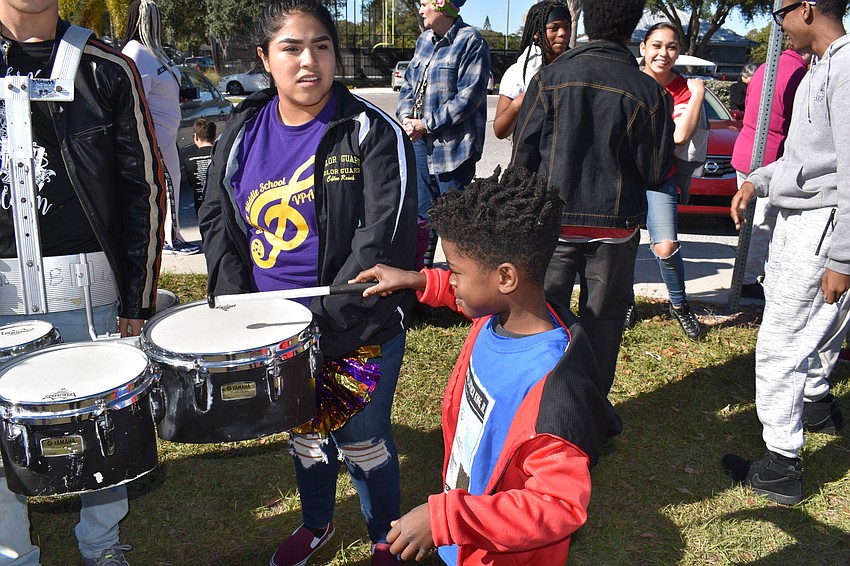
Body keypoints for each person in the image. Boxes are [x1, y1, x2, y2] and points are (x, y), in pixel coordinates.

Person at [197, 0, 418, 564]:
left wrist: (320, 322)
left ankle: (385, 538)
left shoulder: (371, 130)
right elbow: (219, 217)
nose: (308, 61)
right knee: (307, 436)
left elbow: (382, 236)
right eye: (291, 48)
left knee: (364, 442)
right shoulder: (242, 128)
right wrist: (233, 302)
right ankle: (317, 524)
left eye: (321, 45)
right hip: (275, 330)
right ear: (264, 59)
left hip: (355, 323)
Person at [351, 167, 622, 565]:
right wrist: (415, 280)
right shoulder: (500, 314)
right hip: (464, 533)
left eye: (455, 271)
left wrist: (446, 517)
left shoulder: (552, 390)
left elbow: (558, 505)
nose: (452, 280)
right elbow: (467, 296)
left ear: (506, 277)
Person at [0, 0, 166, 563]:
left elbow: (142, 186)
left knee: (103, 424)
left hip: (86, 290)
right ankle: (12, 552)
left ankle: (101, 541)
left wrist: (137, 297)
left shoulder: (105, 68)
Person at [511, 0, 675, 396]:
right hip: (615, 232)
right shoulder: (649, 91)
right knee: (603, 324)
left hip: (552, 225)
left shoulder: (549, 78)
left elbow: (520, 161)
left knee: (543, 317)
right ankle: (591, 414)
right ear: (632, 28)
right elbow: (655, 171)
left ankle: (539, 405)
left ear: (585, 22)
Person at [724, 0, 850, 505]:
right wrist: (757, 180)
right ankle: (817, 405)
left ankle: (781, 465)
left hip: (822, 228)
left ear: (807, 8)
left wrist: (842, 257)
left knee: (779, 345)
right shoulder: (821, 66)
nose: (775, 24)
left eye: (779, 12)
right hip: (805, 220)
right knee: (813, 331)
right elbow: (804, 159)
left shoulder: (844, 70)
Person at [396, 0, 490, 268]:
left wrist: (426, 123)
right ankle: (422, 285)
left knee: (453, 223)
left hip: (454, 151)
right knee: (422, 219)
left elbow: (468, 98)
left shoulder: (471, 41)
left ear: (443, 6)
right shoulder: (424, 40)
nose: (421, 10)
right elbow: (407, 86)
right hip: (419, 145)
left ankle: (461, 288)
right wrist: (405, 118)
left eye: (425, 4)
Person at [627, 22, 704, 340]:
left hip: (661, 177)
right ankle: (625, 302)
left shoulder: (685, 89)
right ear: (643, 48)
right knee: (622, 244)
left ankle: (679, 304)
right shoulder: (627, 81)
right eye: (656, 45)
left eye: (671, 46)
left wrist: (698, 95)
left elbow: (679, 136)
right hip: (623, 176)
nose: (663, 52)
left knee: (666, 246)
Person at [730, 45, 808, 301]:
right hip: (768, 155)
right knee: (761, 224)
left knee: (749, 219)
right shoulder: (799, 71)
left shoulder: (765, 67)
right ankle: (748, 278)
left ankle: (746, 274)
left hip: (746, 148)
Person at [121, 0, 200, 255]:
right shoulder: (136, 53)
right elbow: (133, 99)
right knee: (167, 184)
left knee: (172, 183)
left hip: (166, 132)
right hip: (155, 134)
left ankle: (170, 237)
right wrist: (147, 136)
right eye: (153, 17)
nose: (158, 23)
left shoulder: (152, 52)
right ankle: (169, 240)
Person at [492, 1, 570, 139]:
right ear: (536, 33)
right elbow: (499, 131)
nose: (563, 33)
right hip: (530, 158)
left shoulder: (576, 69)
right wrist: (519, 103)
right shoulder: (517, 73)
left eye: (567, 27)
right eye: (554, 28)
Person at [181, 117, 216, 215]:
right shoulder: (220, 156)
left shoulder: (189, 160)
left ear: (196, 137)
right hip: (219, 204)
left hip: (201, 207)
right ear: (214, 136)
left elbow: (191, 183)